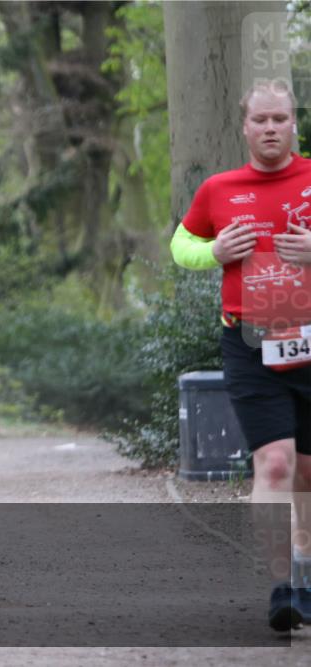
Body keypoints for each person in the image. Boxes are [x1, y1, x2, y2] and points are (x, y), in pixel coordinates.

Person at [170, 81, 311, 631]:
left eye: (281, 118)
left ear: (294, 122)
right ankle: (282, 587)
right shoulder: (219, 188)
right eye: (261, 120)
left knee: (306, 470)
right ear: (245, 127)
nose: (271, 128)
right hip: (250, 343)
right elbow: (182, 246)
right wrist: (215, 251)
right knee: (274, 462)